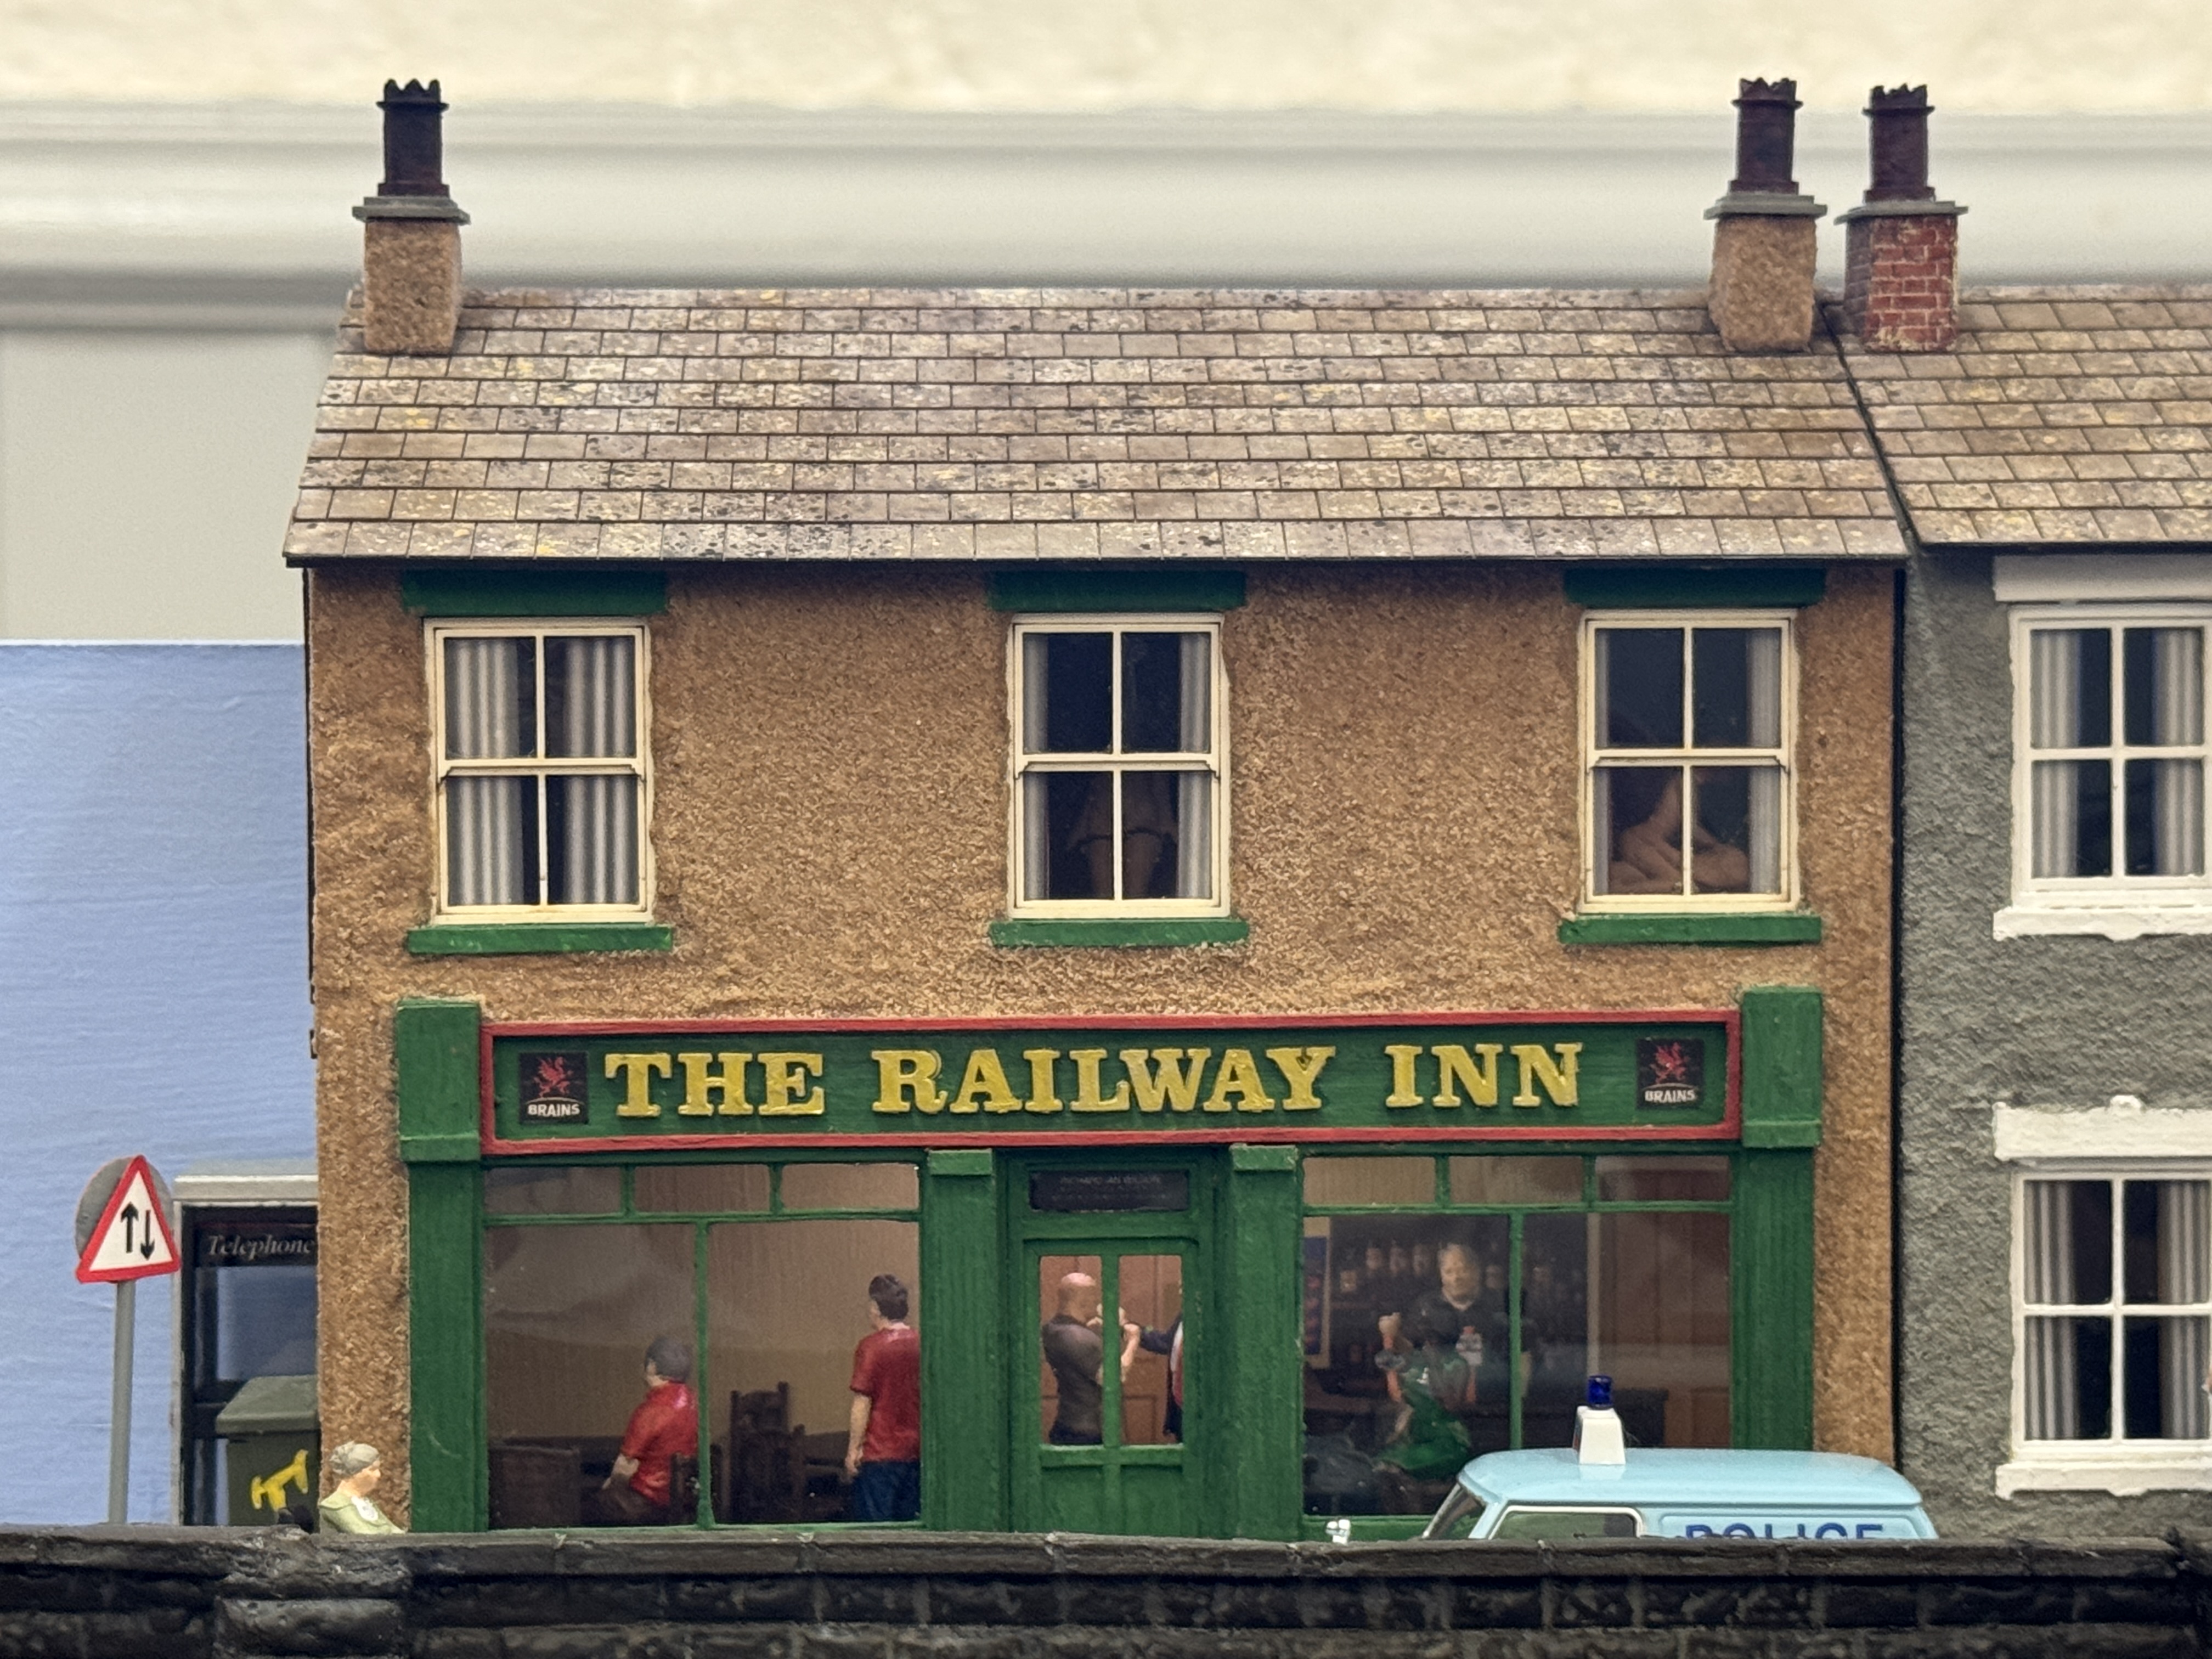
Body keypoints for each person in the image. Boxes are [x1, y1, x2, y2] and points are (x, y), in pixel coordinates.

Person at [585, 1335, 697, 1525]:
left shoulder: (651, 1410)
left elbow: (626, 1465)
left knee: (588, 1505)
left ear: (652, 1366)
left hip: (648, 1502)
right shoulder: (692, 1402)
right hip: (679, 1496)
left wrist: (608, 1487)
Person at [844, 1273, 921, 1522]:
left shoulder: (871, 1347)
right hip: (915, 1449)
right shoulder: (921, 1343)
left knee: (875, 1528)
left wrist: (854, 1449)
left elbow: (862, 1402)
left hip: (880, 1452)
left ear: (876, 1308)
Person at [1607, 770, 1751, 894]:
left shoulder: (1690, 783)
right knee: (1676, 882)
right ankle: (1620, 890)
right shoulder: (1685, 781)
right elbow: (1691, 828)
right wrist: (1716, 845)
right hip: (1643, 842)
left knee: (1648, 875)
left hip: (1651, 844)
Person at [1040, 1271, 1141, 1444]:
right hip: (1087, 1434)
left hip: (1070, 1424)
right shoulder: (1076, 1337)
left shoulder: (1054, 1328)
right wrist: (1134, 1339)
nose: (1098, 1301)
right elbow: (1114, 1378)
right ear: (1082, 1299)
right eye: (1095, 1295)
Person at [317, 1442, 403, 1534]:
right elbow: (364, 1534)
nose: (378, 1475)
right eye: (372, 1470)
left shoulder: (365, 1502)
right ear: (355, 1473)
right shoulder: (335, 1505)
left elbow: (396, 1533)